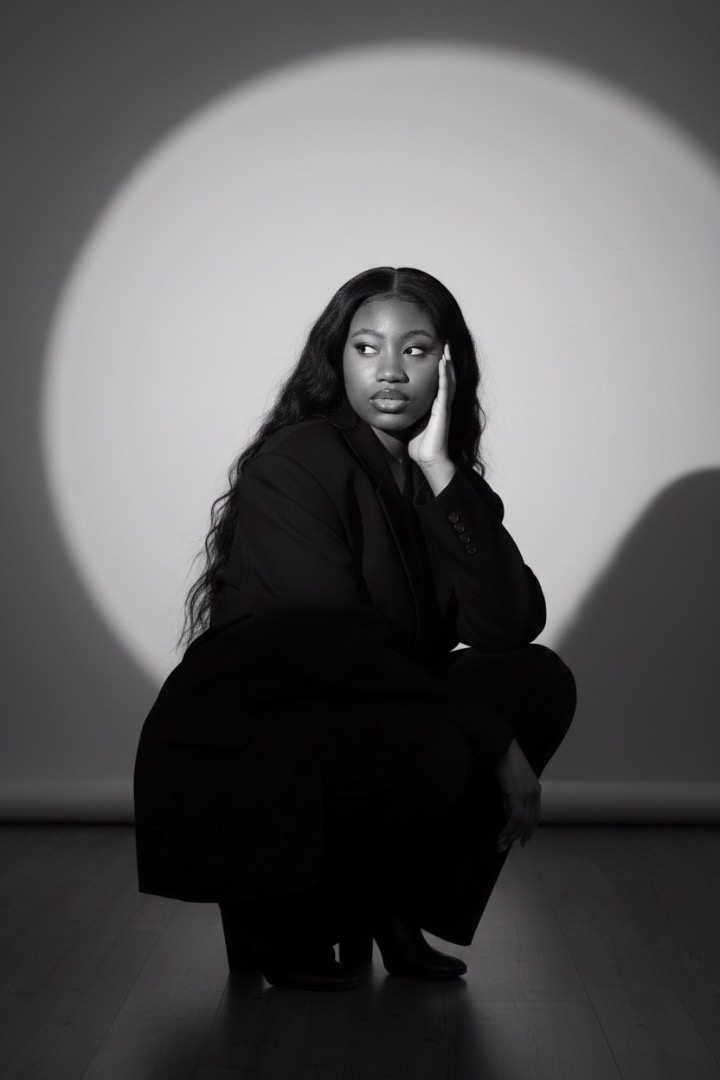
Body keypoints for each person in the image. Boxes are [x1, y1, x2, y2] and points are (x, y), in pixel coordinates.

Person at [133, 266, 576, 992]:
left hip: (365, 715)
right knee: (434, 739)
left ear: (449, 367)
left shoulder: (442, 479)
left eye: (416, 350)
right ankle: (290, 926)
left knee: (536, 681)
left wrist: (441, 473)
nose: (390, 370)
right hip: (256, 733)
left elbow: (510, 624)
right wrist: (494, 742)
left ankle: (397, 908)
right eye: (367, 348)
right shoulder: (297, 461)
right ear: (337, 361)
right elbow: (333, 649)